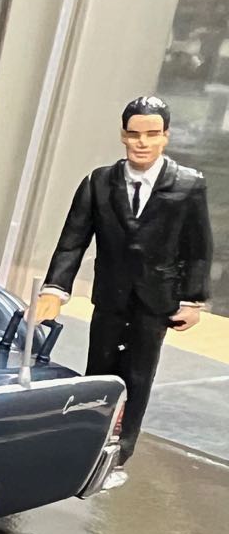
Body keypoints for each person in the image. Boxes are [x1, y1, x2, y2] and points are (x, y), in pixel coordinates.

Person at [32, 95, 213, 479]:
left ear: (165, 136)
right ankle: (85, 445)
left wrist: (193, 299)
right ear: (123, 135)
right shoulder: (99, 182)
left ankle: (120, 452)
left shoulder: (188, 185)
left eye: (152, 134)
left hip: (155, 302)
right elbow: (72, 241)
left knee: (138, 377)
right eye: (134, 134)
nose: (142, 142)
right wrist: (55, 289)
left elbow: (198, 249)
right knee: (98, 371)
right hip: (110, 297)